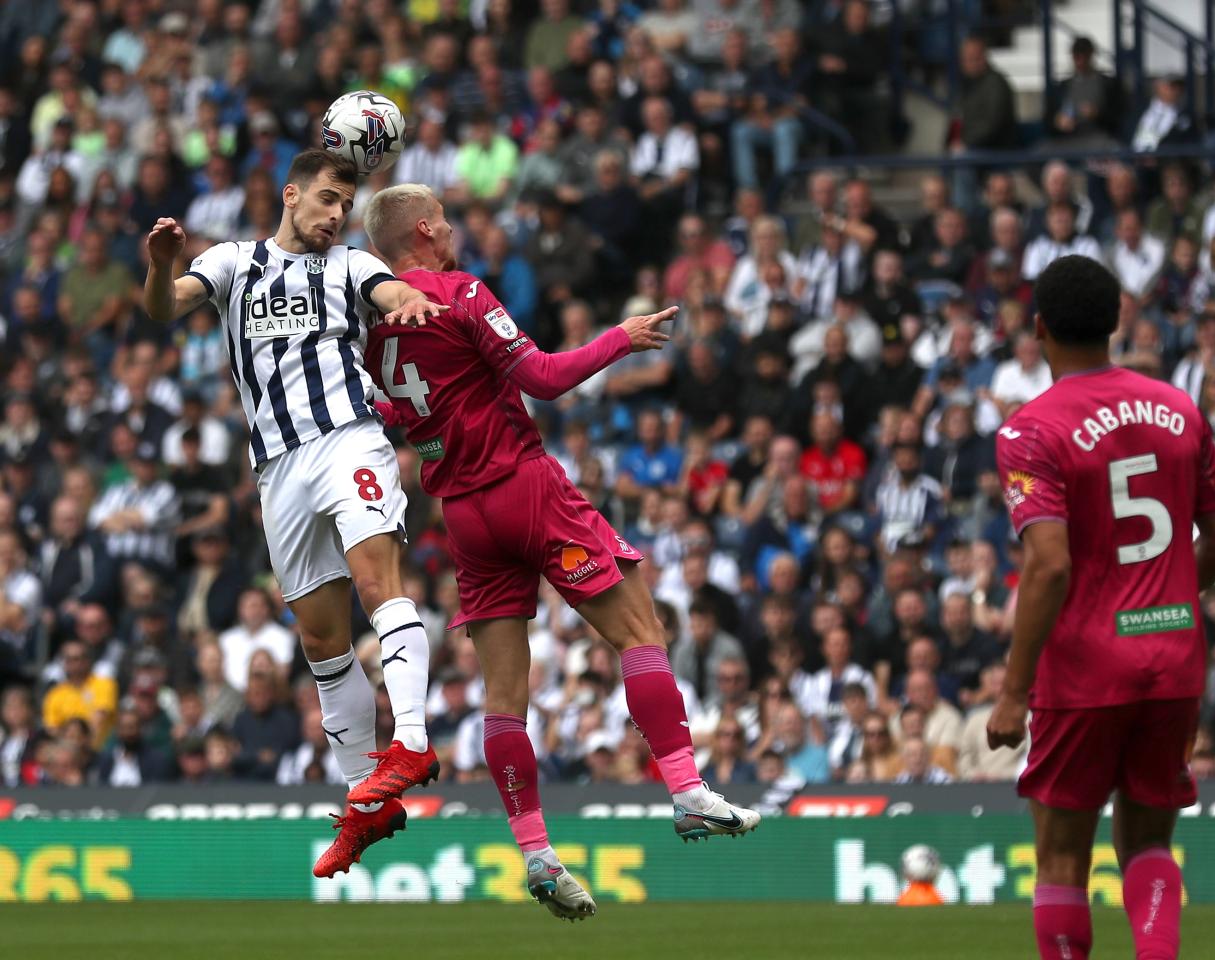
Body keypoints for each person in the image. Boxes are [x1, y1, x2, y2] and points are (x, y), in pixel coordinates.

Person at [361, 183, 760, 921]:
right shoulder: (458, 292)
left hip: (463, 517)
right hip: (523, 484)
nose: (451, 232)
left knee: (505, 697)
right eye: (444, 222)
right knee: (641, 630)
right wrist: (621, 335)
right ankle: (686, 791)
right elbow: (541, 376)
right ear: (422, 229)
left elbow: (389, 410)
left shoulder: (372, 327)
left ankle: (538, 853)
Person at [141, 149, 450, 878]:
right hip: (276, 469)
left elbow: (387, 290)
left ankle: (410, 739)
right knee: (320, 643)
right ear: (291, 194)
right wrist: (158, 265)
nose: (338, 214)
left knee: (381, 587)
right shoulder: (231, 262)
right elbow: (163, 308)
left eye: (346, 204)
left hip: (348, 441)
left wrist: (404, 300)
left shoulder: (347, 265)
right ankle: (364, 803)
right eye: (328, 200)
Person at [987, 255, 1215, 959]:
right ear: (1118, 319)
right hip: (1172, 657)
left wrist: (1012, 694)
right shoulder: (1178, 407)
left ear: (1037, 330)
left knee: (1063, 857)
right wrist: (1169, 598)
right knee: (1151, 844)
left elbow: (1050, 565)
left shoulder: (1029, 430)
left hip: (1084, 671)